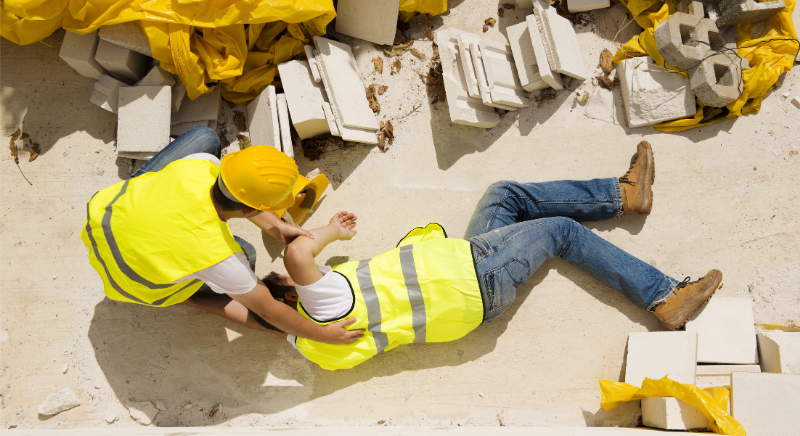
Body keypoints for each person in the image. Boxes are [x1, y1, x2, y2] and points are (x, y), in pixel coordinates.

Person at [264, 142, 722, 370]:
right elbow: (299, 253)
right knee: (561, 232)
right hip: (476, 274)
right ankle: (664, 297)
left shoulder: (312, 347)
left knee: (504, 195)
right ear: (291, 297)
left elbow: (256, 315)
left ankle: (624, 194)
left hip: (468, 281)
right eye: (294, 283)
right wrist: (331, 231)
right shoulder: (323, 303)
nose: (316, 272)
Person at [80, 125, 363, 346]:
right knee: (248, 255)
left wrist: (276, 226)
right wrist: (324, 335)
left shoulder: (200, 165)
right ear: (253, 208)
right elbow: (269, 312)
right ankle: (183, 294)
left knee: (205, 137)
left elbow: (237, 196)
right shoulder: (222, 258)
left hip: (103, 218)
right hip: (132, 283)